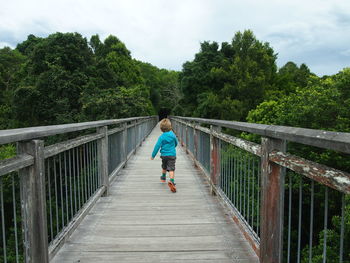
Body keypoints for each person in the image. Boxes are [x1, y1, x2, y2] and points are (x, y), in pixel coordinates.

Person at [150, 118, 178, 193]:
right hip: (172, 155)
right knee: (171, 169)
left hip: (164, 155)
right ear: (170, 127)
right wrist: (173, 147)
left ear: (161, 129)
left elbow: (157, 146)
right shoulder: (173, 135)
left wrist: (153, 155)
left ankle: (163, 177)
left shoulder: (161, 137)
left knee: (164, 166)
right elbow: (176, 143)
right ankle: (171, 181)